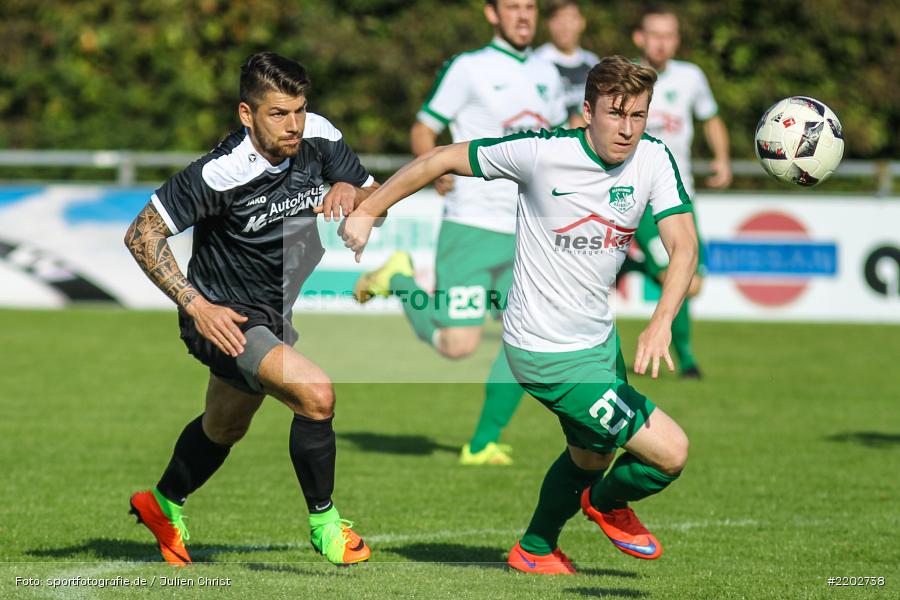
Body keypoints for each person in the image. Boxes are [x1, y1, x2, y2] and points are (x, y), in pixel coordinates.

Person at [340, 55, 695, 575]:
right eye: (615, 114)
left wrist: (662, 319)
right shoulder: (541, 152)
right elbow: (439, 157)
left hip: (598, 342)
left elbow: (683, 245)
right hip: (545, 350)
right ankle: (608, 502)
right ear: (588, 110)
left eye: (638, 116)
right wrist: (371, 210)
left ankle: (535, 547)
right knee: (670, 452)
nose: (626, 129)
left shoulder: (653, 158)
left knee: (589, 456)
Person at [124, 52, 377, 567]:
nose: (294, 126)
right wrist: (197, 307)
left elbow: (375, 194)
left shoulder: (319, 136)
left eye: (300, 110)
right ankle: (326, 525)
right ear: (246, 114)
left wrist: (353, 188)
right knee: (316, 394)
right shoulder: (220, 173)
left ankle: (162, 504)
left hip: (272, 313)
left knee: (224, 427)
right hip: (225, 319)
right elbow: (140, 233)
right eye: (278, 114)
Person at [353, 0, 568, 466]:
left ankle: (483, 441)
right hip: (471, 224)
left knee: (528, 337)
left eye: (530, 6)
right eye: (513, 7)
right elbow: (424, 128)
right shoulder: (468, 68)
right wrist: (433, 170)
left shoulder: (549, 73)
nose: (523, 15)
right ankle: (399, 280)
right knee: (458, 346)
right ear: (493, 14)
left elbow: (556, 140)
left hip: (527, 229)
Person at [622, 3, 733, 378]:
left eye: (669, 35)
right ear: (640, 38)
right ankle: (686, 359)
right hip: (637, 197)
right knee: (674, 270)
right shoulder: (624, 78)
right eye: (654, 35)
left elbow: (710, 118)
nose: (662, 43)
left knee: (691, 283)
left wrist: (722, 158)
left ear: (677, 40)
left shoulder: (691, 77)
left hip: (680, 194)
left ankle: (629, 264)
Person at [535, 0, 599, 128]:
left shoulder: (593, 62)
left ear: (582, 22)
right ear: (548, 24)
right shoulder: (538, 62)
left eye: (571, 19)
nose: (565, 27)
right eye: (558, 19)